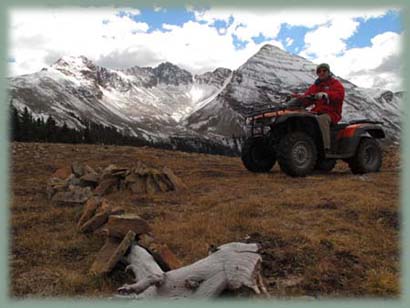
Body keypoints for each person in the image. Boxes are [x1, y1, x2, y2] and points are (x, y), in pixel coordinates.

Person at [291, 63, 345, 153]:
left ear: (328, 72)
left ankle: (326, 148)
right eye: (319, 71)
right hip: (317, 112)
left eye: (324, 71)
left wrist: (326, 94)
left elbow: (339, 95)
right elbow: (307, 98)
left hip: (331, 113)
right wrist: (295, 99)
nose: (322, 73)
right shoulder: (316, 86)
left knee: (322, 119)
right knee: (303, 118)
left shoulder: (335, 84)